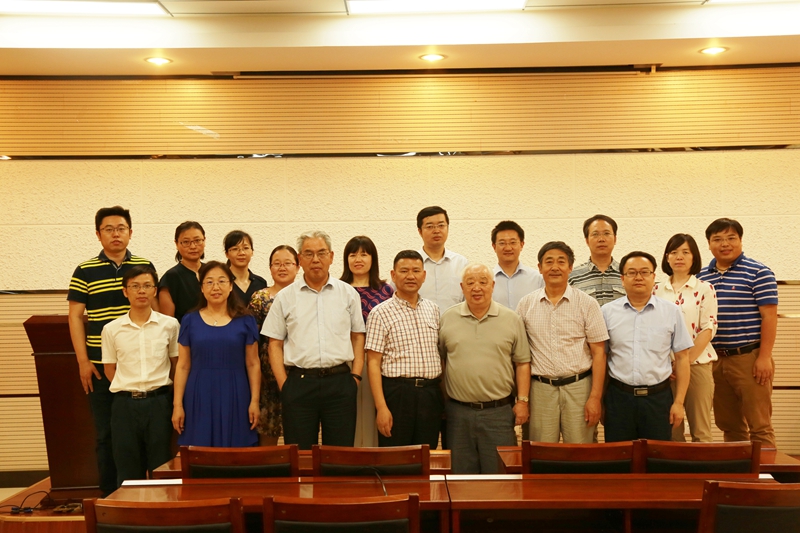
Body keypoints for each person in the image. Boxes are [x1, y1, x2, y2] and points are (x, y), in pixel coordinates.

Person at [67, 205, 156, 496]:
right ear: (98, 234)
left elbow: (155, 314)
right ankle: (110, 499)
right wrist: (83, 361)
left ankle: (151, 497)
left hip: (141, 368)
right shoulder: (85, 270)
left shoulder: (144, 266)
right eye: (108, 229)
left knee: (146, 439)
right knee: (106, 435)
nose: (115, 234)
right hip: (99, 368)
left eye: (121, 228)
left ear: (130, 232)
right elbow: (75, 317)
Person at [263, 230, 366, 449]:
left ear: (331, 256)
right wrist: (284, 385)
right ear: (300, 259)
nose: (315, 259)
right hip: (299, 384)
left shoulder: (348, 294)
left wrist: (355, 377)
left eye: (321, 253)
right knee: (300, 455)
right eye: (309, 254)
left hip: (340, 383)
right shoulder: (285, 297)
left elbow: (358, 337)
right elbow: (274, 344)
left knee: (339, 455)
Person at [439, 264, 531, 474]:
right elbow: (442, 362)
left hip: (498, 412)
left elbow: (522, 363)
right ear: (462, 287)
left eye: (483, 282)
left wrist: (523, 402)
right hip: (458, 413)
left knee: (500, 475)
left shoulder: (511, 319)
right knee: (460, 476)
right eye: (470, 282)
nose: (476, 287)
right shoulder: (447, 318)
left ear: (492, 285)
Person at [696, 218, 778, 447]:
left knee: (760, 425)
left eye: (731, 238)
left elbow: (769, 317)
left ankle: (764, 470)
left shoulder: (759, 272)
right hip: (715, 360)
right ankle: (737, 469)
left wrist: (764, 357)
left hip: (749, 358)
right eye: (718, 239)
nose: (725, 244)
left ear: (740, 240)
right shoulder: (701, 277)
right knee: (729, 424)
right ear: (709, 244)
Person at [516, 242, 608, 444]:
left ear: (570, 267)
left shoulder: (587, 303)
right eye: (549, 262)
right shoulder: (525, 305)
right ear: (540, 267)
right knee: (541, 451)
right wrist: (522, 399)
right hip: (540, 389)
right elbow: (520, 355)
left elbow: (599, 353)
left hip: (579, 387)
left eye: (561, 262)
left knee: (580, 452)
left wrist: (595, 397)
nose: (555, 267)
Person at [602, 251, 694, 442]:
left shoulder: (671, 311)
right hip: (619, 399)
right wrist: (600, 400)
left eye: (644, 272)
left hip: (658, 399)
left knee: (657, 455)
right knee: (619, 455)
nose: (638, 277)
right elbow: (601, 358)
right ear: (622, 279)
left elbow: (683, 358)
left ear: (653, 277)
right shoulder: (607, 312)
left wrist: (679, 403)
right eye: (632, 273)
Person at [101, 265, 179, 487]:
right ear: (125, 291)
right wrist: (132, 388)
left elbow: (176, 364)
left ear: (155, 290)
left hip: (159, 403)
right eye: (135, 286)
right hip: (124, 405)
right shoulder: (111, 329)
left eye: (147, 286)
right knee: (127, 467)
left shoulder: (170, 325)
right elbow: (109, 369)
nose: (141, 291)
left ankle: (163, 507)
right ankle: (130, 508)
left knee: (161, 465)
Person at [172, 261, 260, 447]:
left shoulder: (246, 320)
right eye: (209, 282)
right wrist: (177, 405)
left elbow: (253, 364)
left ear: (231, 286)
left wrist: (255, 401)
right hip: (199, 393)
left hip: (236, 392)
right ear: (202, 288)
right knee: (199, 450)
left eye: (221, 281)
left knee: (236, 451)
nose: (216, 287)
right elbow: (183, 365)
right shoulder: (189, 320)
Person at [366, 250, 443, 448]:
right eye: (404, 271)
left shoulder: (433, 310)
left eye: (416, 271)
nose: (410, 276)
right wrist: (381, 407)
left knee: (427, 454)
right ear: (393, 275)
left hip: (430, 394)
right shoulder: (380, 313)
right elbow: (373, 363)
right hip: (397, 394)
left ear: (424, 276)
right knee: (396, 457)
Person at [655, 234, 718, 443]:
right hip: (665, 369)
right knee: (671, 429)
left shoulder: (705, 289)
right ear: (667, 258)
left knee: (701, 430)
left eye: (685, 252)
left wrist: (684, 362)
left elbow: (708, 328)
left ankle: (702, 465)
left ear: (694, 257)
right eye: (673, 252)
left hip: (697, 365)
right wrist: (670, 365)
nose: (679, 257)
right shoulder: (656, 290)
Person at [340, 235, 394, 447]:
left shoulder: (386, 290)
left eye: (364, 254)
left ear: (373, 258)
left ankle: (372, 459)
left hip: (376, 361)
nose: (358, 259)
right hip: (345, 360)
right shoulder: (338, 288)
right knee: (346, 413)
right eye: (353, 254)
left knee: (374, 412)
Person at [249, 245, 299, 446]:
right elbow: (253, 339)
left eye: (288, 263)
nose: (282, 267)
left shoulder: (306, 296)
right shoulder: (259, 298)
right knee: (267, 432)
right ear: (270, 268)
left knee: (298, 433)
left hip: (299, 374)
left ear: (298, 267)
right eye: (277, 264)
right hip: (267, 375)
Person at [416, 206, 468, 312]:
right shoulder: (410, 263)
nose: (436, 231)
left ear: (447, 228)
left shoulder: (461, 263)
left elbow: (469, 299)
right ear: (420, 231)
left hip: (453, 322)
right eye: (430, 226)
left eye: (441, 225)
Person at [569, 214, 625, 306]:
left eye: (606, 233)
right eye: (595, 234)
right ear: (587, 240)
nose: (601, 239)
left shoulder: (626, 274)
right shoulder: (573, 277)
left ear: (615, 239)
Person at [159, 221, 206, 323]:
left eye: (197, 240)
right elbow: (168, 323)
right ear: (176, 244)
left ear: (204, 241)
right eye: (186, 242)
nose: (193, 246)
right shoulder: (171, 277)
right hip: (184, 331)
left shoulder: (212, 272)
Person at [491, 220, 544, 310]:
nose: (508, 248)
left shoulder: (538, 279)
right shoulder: (486, 281)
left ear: (522, 245)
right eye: (502, 243)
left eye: (513, 242)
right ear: (494, 247)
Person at [224, 230, 267, 307]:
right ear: (227, 254)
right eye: (235, 249)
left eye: (246, 248)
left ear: (252, 252)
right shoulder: (222, 282)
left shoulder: (261, 283)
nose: (241, 253)